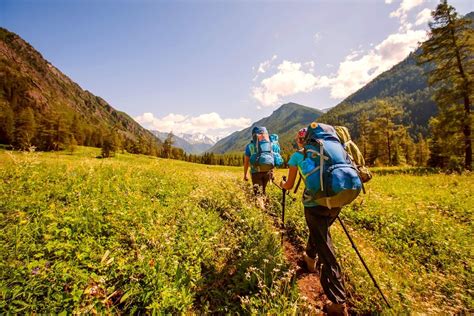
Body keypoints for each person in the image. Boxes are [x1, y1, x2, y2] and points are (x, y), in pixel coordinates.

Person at [280, 127, 348, 316]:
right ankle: (310, 258)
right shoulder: (330, 151)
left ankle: (338, 301)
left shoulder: (297, 157)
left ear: (302, 141)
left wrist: (282, 185)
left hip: (314, 204)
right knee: (319, 234)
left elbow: (290, 184)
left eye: (297, 140)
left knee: (325, 247)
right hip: (337, 199)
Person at [243, 126, 273, 197]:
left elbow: (246, 162)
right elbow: (271, 158)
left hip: (255, 173)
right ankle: (267, 206)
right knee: (264, 191)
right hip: (267, 172)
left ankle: (261, 207)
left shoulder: (250, 146)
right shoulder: (270, 145)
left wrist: (245, 175)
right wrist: (271, 172)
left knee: (258, 194)